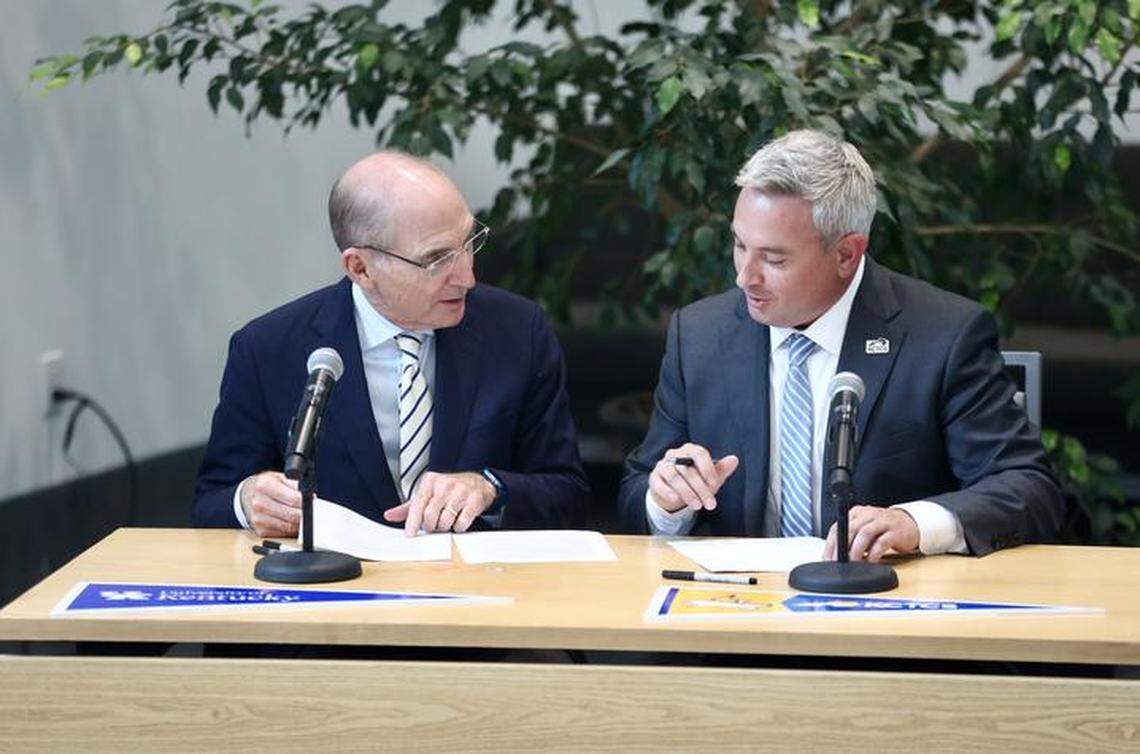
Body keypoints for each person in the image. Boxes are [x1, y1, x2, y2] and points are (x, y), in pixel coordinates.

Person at [618, 129, 1064, 559]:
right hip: (738, 612)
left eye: (773, 259)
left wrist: (914, 524)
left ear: (847, 254)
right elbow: (638, 489)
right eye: (739, 245)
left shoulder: (945, 335)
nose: (745, 276)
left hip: (889, 611)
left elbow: (1026, 485)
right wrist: (667, 501)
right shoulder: (699, 335)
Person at [194, 151, 589, 537]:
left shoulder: (519, 331)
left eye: (469, 242)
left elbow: (569, 495)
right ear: (360, 268)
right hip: (337, 591)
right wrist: (247, 500)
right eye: (437, 259)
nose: (466, 276)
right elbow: (211, 502)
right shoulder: (268, 349)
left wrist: (490, 488)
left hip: (478, 587)